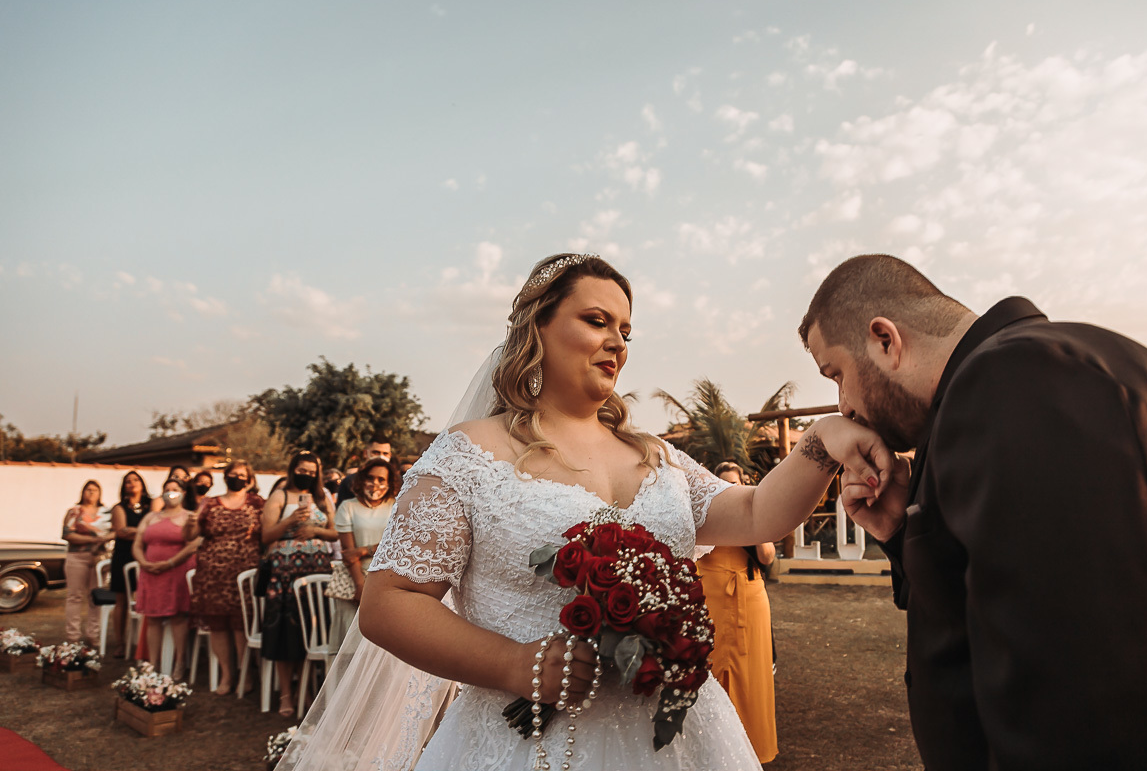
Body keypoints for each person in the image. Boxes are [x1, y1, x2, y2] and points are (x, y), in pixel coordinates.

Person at [276, 253, 891, 771]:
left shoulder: (656, 456)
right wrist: (513, 664)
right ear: (537, 328)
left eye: (626, 331)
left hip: (681, 740)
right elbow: (390, 602)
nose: (617, 343)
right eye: (597, 321)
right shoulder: (469, 454)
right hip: (529, 745)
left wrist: (825, 440)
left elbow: (757, 513)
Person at [800, 254, 1147, 771]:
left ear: (884, 340)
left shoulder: (1017, 380)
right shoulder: (997, 388)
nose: (844, 406)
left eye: (836, 374)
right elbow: (979, 607)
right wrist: (902, 532)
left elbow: (1075, 693)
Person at [695, 462, 778, 764]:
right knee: (711, 670)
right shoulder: (705, 511)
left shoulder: (753, 510)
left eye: (736, 484)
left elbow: (767, 556)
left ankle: (752, 748)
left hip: (748, 596)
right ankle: (709, 750)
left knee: (750, 676)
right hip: (710, 596)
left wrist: (753, 515)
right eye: (724, 484)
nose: (731, 489)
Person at [261, 451, 337, 717]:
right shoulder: (280, 496)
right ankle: (286, 693)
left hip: (317, 571)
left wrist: (316, 531)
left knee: (312, 630)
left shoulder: (322, 497)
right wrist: (290, 521)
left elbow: (335, 532)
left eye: (311, 472)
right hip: (285, 573)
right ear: (293, 469)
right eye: (302, 470)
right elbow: (266, 535)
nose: (307, 475)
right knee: (286, 634)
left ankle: (305, 689)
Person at [185, 461, 264, 694]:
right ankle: (226, 674)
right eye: (233, 474)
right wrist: (190, 523)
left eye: (241, 474)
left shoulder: (258, 503)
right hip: (213, 574)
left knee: (241, 625)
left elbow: (266, 533)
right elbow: (190, 535)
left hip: (244, 574)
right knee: (218, 625)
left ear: (249, 479)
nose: (237, 477)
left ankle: (245, 673)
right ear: (225, 476)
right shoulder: (209, 503)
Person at [132, 477, 202, 676]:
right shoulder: (151, 517)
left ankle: (179, 662)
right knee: (152, 619)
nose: (170, 492)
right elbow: (137, 544)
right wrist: (143, 562)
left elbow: (193, 545)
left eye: (175, 489)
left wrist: (170, 563)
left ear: (183, 493)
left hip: (176, 572)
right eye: (167, 489)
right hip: (151, 573)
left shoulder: (189, 517)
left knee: (178, 618)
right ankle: (153, 664)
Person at [328, 457, 398, 651]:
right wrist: (360, 586)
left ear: (389, 482)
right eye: (370, 478)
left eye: (381, 479)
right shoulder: (347, 507)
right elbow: (348, 554)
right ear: (361, 479)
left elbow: (395, 545)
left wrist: (363, 550)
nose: (375, 483)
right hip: (354, 581)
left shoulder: (397, 507)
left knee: (380, 647)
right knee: (351, 646)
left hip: (387, 581)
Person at [109, 470, 157, 657]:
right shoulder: (118, 508)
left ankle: (143, 643)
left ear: (142, 484)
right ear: (124, 487)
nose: (132, 483)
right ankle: (120, 643)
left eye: (136, 480)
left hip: (147, 554)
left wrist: (134, 530)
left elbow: (153, 527)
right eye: (128, 481)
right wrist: (146, 531)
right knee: (121, 600)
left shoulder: (151, 505)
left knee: (146, 597)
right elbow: (121, 531)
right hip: (124, 556)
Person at [61, 480, 113, 646]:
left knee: (96, 597)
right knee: (74, 596)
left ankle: (93, 634)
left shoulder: (107, 512)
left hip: (99, 559)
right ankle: (73, 636)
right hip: (77, 557)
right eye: (88, 490)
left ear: (100, 493)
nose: (91, 493)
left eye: (94, 490)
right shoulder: (74, 511)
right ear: (82, 492)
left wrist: (106, 539)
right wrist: (94, 539)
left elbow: (116, 531)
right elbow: (67, 534)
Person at [335, 436, 392, 505]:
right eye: (376, 452)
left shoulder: (398, 482)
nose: (381, 457)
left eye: (385, 453)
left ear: (390, 455)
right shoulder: (350, 482)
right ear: (365, 453)